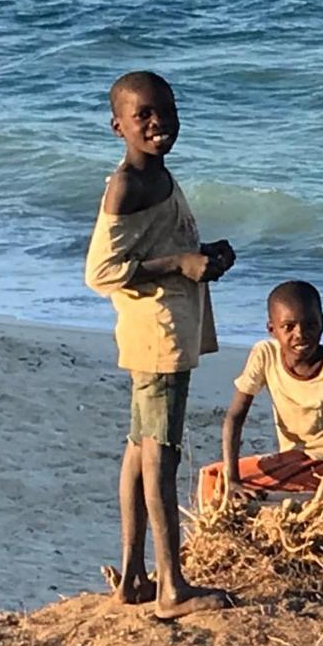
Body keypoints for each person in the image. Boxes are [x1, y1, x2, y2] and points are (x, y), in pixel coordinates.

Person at [85, 71, 235, 618]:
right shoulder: (126, 185)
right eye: (144, 115)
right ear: (117, 126)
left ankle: (132, 575)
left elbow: (159, 243)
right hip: (159, 334)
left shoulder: (158, 177)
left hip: (167, 324)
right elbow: (101, 272)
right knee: (161, 455)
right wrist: (178, 263)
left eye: (166, 111)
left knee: (139, 447)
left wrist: (202, 254)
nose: (158, 123)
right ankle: (172, 586)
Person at [198, 280, 323, 509]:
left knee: (216, 480)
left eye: (310, 325)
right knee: (218, 478)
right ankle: (219, 540)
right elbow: (235, 416)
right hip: (290, 459)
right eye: (288, 327)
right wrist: (233, 478)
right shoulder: (265, 355)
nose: (301, 334)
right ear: (272, 329)